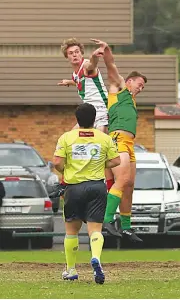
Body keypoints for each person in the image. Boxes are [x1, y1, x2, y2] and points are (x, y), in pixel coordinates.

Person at [52, 103, 121, 284]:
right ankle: (96, 258)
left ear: (77, 119)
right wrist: (100, 165)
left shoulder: (66, 137)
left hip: (74, 188)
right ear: (94, 118)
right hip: (97, 187)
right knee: (95, 229)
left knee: (71, 231)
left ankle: (71, 270)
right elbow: (116, 160)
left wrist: (65, 169)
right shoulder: (104, 138)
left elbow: (57, 162)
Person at [90, 38, 147, 243]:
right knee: (121, 180)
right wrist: (107, 51)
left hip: (129, 144)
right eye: (139, 84)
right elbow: (111, 67)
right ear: (129, 81)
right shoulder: (120, 89)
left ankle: (126, 227)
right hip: (117, 140)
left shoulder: (130, 100)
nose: (140, 88)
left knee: (129, 184)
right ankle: (106, 219)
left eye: (142, 87)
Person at [58, 38, 114, 190]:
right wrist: (68, 82)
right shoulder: (75, 74)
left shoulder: (87, 66)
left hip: (101, 111)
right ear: (67, 56)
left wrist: (96, 55)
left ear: (81, 53)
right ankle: (65, 182)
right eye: (71, 53)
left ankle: (109, 187)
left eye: (77, 52)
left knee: (100, 149)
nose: (74, 55)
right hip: (88, 114)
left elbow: (92, 65)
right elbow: (78, 81)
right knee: (69, 140)